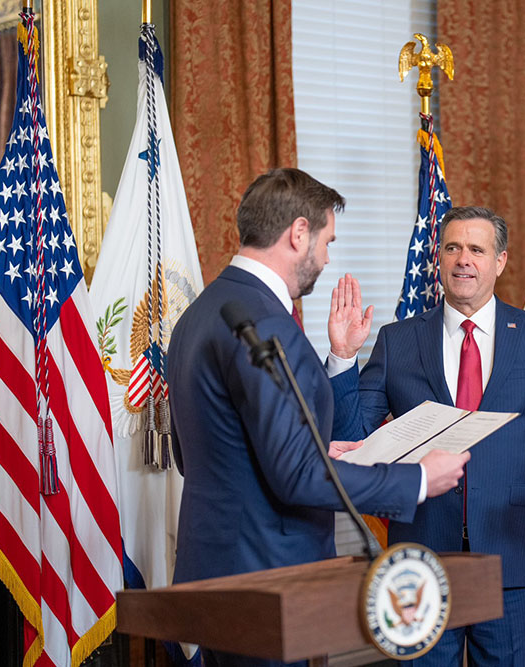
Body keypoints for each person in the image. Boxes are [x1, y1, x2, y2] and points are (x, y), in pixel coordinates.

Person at [166, 168, 469, 667]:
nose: (328, 258)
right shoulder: (265, 324)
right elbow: (297, 479)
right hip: (267, 578)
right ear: (298, 233)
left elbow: (198, 449)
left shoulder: (202, 312)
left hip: (212, 571)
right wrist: (416, 479)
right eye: (327, 241)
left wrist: (312, 444)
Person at [325, 205, 525, 666]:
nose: (463, 259)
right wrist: (343, 357)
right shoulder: (397, 340)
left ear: (500, 261)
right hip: (422, 557)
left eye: (476, 249)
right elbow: (353, 441)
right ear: (439, 258)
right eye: (452, 248)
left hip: (508, 557)